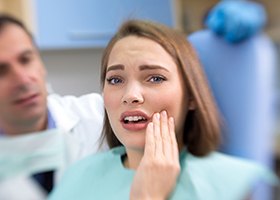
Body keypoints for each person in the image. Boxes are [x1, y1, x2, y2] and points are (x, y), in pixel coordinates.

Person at [49, 20, 278, 200]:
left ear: (191, 96)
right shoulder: (77, 177)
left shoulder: (236, 185)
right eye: (115, 80)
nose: (130, 95)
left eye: (155, 78)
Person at [0, 15, 172, 200]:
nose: (23, 79)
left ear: (41, 64)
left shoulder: (102, 116)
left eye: (26, 60)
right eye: (1, 71)